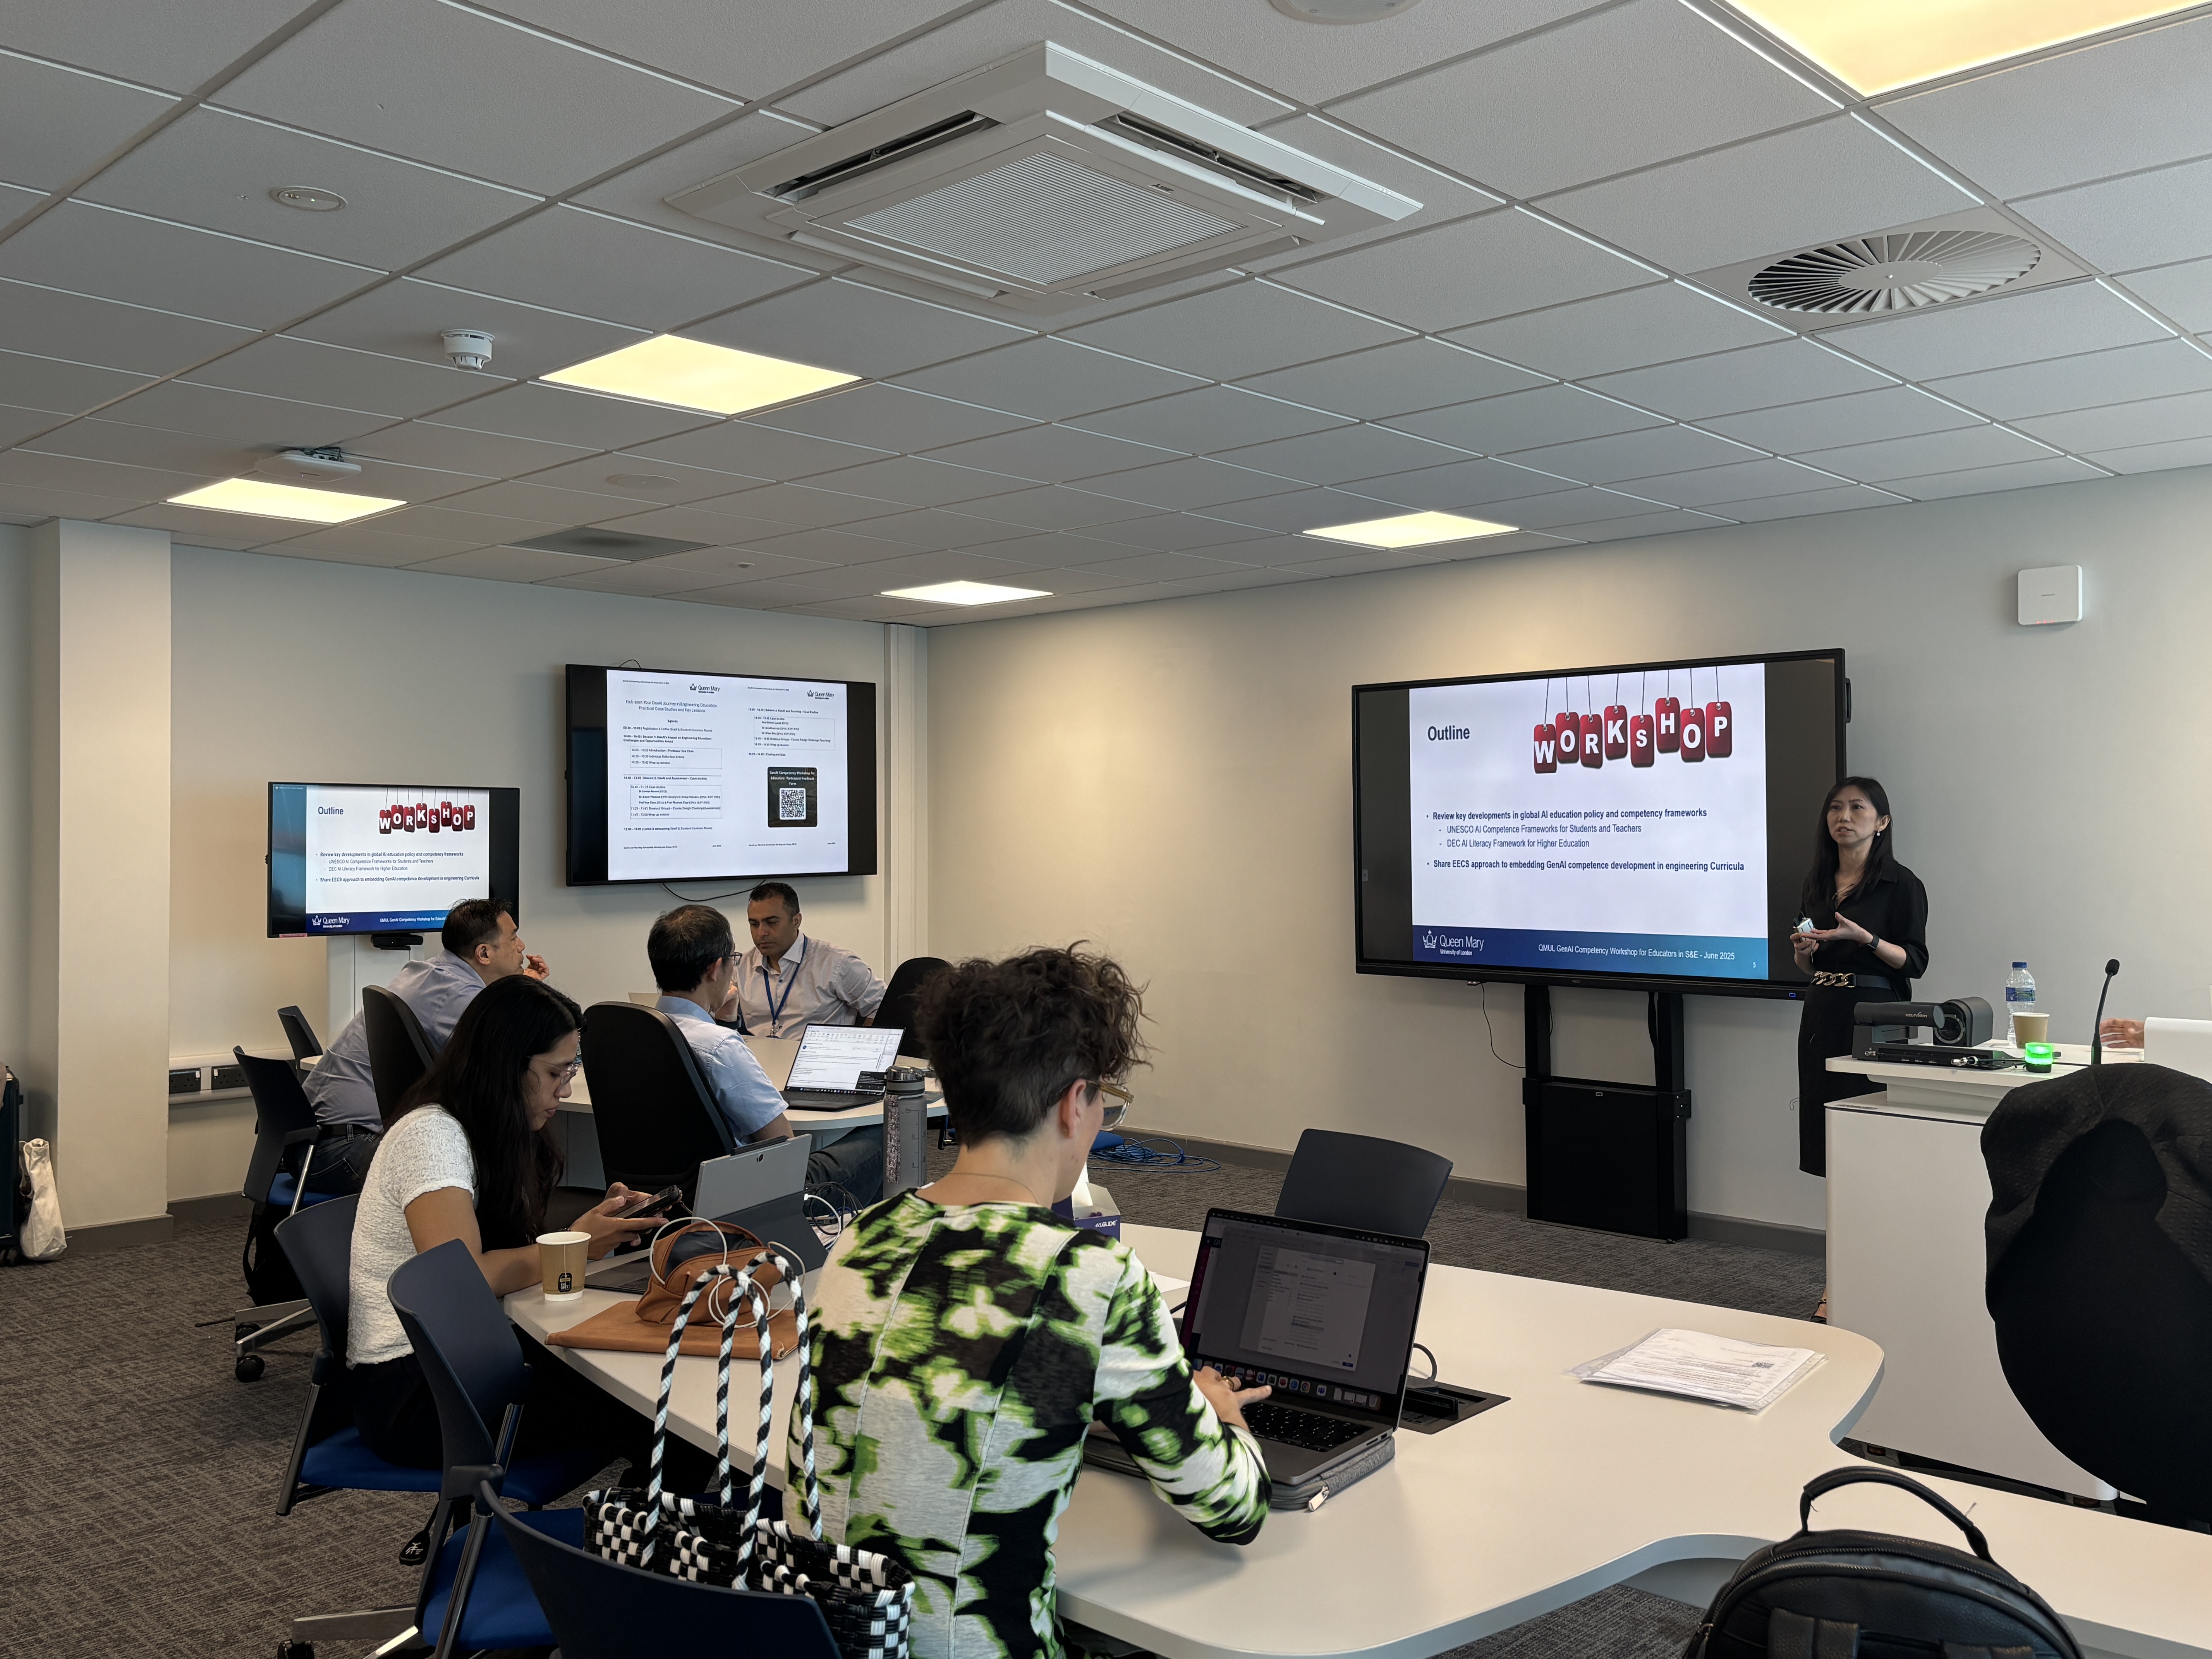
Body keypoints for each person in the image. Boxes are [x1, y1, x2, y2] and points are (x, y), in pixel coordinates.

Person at [799, 945, 1271, 1659]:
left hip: (839, 1639)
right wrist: (1222, 1417)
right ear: (1074, 1101)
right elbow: (1233, 1508)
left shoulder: (866, 1233)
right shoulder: (1088, 1271)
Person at [343, 975, 661, 1470]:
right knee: (654, 1408)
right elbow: (464, 1279)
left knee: (647, 1383)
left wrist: (588, 1236)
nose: (568, 1088)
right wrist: (578, 1244)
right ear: (506, 1065)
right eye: (557, 1072)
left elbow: (504, 1256)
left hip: (471, 1354)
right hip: (419, 1391)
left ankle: (654, 1526)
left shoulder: (490, 1127)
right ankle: (660, 1532)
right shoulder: (432, 1137)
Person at [1792, 777, 1929, 1317]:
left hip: (1875, 1021)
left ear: (1883, 822)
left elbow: (1915, 962)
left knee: (1868, 1148)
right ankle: (1839, 1279)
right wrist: (1806, 952)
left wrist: (1865, 939)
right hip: (1821, 1014)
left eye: (1857, 808)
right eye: (1835, 808)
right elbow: (1809, 964)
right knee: (1830, 1148)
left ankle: (1871, 1277)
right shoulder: (1819, 884)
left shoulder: (1902, 885)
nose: (1843, 817)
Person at [301, 899, 549, 1193]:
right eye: (513, 937)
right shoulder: (458, 997)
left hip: (314, 1144)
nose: (521, 946)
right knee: (476, 1174)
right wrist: (531, 992)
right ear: (484, 953)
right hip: (345, 1148)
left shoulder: (428, 973)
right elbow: (516, 1057)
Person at [647, 903, 884, 1207]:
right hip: (755, 1194)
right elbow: (783, 1143)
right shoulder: (719, 1046)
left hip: (668, 1200)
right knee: (889, 1130)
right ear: (714, 969)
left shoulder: (636, 1033)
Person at [730, 881, 886, 1037]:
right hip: (758, 1059)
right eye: (754, 924)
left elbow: (883, 1005)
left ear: (796, 921)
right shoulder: (740, 967)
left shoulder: (836, 963)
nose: (762, 932)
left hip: (817, 1058)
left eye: (771, 923)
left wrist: (860, 1045)